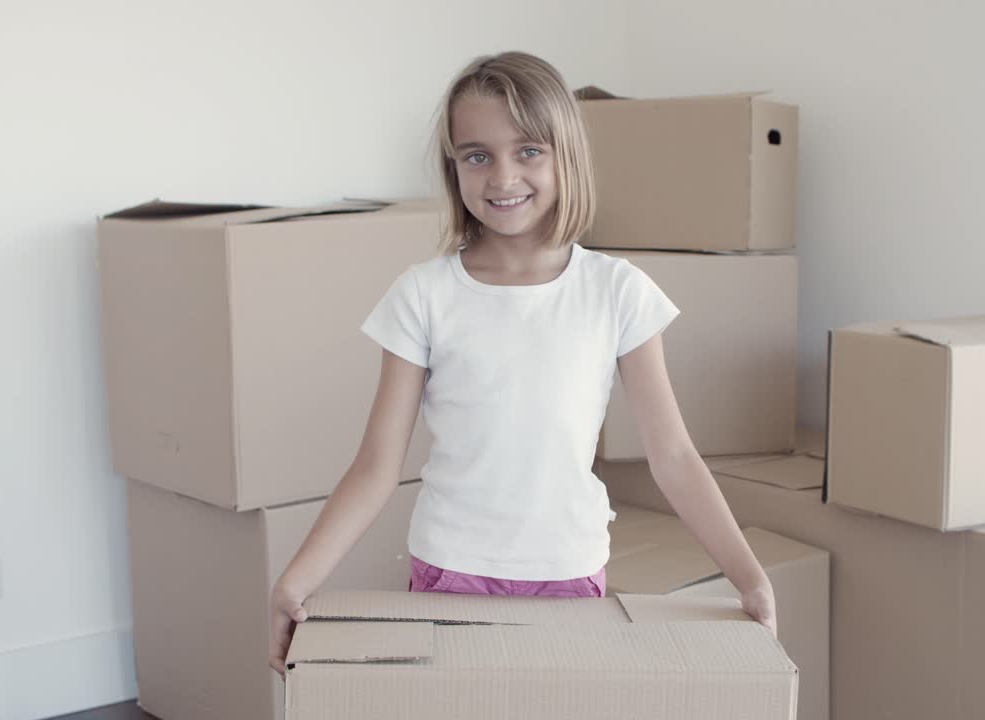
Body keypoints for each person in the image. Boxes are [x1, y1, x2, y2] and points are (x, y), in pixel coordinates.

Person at [269, 51, 776, 675]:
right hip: (449, 571)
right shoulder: (422, 295)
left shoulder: (618, 291)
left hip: (568, 573)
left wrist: (748, 577)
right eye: (477, 155)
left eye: (528, 150)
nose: (503, 176)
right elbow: (376, 467)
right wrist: (295, 583)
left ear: (566, 155)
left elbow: (673, 457)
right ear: (454, 166)